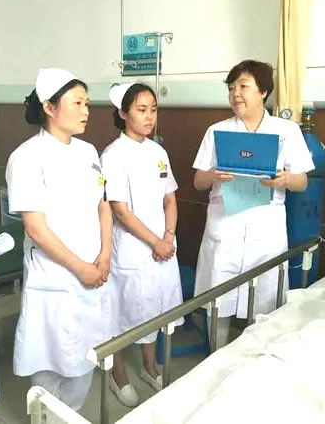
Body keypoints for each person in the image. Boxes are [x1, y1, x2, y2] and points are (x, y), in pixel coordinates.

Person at [6, 68, 112, 411]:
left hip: (94, 270)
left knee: (86, 356)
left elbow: (103, 205)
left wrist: (105, 254)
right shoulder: (27, 157)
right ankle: (48, 417)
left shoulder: (88, 151)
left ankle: (72, 415)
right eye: (77, 103)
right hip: (55, 277)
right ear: (50, 108)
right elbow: (36, 228)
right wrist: (81, 268)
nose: (85, 111)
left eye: (87, 103)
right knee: (50, 363)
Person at [192, 60, 315, 349]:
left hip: (265, 229)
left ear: (263, 91)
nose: (235, 94)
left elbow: (302, 182)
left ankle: (255, 359)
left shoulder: (286, 131)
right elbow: (198, 181)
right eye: (231, 88)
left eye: (243, 86)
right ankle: (215, 357)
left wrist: (285, 179)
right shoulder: (217, 131)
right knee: (218, 300)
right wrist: (214, 174)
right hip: (225, 225)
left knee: (264, 304)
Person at [101, 83, 184, 407]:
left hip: (162, 247)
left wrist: (168, 237)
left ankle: (150, 368)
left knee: (155, 310)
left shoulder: (158, 152)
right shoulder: (113, 155)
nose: (149, 116)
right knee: (123, 311)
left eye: (153, 109)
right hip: (133, 249)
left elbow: (170, 199)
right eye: (141, 110)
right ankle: (118, 374)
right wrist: (156, 242)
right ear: (123, 114)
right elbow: (121, 211)